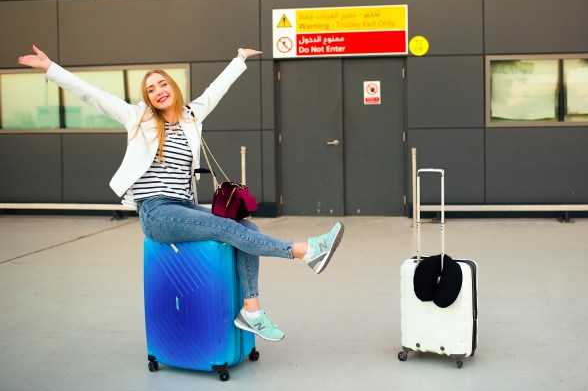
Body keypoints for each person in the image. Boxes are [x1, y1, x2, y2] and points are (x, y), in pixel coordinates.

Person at [18, 45, 344, 342]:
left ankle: (252, 312)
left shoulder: (191, 117)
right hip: (156, 213)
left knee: (247, 228)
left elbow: (217, 90)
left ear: (172, 88)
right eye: (150, 89)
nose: (158, 91)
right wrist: (50, 67)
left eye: (162, 84)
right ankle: (304, 251)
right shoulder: (138, 119)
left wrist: (239, 59)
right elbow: (91, 94)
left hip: (184, 206)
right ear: (147, 98)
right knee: (227, 228)